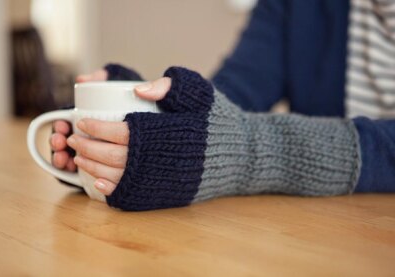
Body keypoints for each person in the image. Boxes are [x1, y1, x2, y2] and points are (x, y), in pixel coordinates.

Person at [50, 0, 395, 211]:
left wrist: (255, 150)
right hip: (319, 235)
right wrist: (141, 110)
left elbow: (242, 139)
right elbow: (232, 98)